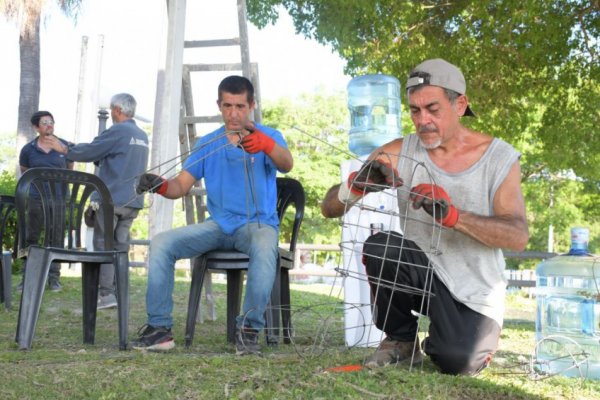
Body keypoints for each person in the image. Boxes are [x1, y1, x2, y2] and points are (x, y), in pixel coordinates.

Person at [321, 59, 529, 375]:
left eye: (433, 108)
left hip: (475, 290)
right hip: (423, 272)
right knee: (381, 246)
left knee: (457, 361)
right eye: (415, 111)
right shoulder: (399, 150)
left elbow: (518, 237)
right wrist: (356, 186)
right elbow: (328, 208)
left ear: (460, 104)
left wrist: (454, 216)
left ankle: (456, 340)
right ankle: (401, 340)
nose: (423, 120)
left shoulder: (498, 157)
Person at [132, 75, 293, 354]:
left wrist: (266, 146)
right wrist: (159, 184)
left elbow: (287, 164)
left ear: (252, 105)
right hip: (218, 226)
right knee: (161, 243)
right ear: (219, 105)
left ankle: (248, 331)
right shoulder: (207, 143)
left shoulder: (269, 136)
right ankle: (159, 330)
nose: (234, 113)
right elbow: (180, 186)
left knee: (267, 247)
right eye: (228, 106)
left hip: (258, 225)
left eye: (240, 106)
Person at [43, 93, 149, 309]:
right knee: (120, 248)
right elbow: (104, 154)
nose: (111, 114)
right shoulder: (141, 135)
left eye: (111, 110)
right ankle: (119, 293)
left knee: (103, 245)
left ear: (117, 110)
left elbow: (93, 150)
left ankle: (106, 294)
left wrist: (65, 149)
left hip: (112, 199)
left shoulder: (118, 130)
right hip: (133, 201)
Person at [18, 111, 74, 291]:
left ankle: (54, 278)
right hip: (36, 198)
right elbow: (25, 171)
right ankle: (27, 276)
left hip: (58, 199)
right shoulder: (28, 149)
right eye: (44, 122)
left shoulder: (65, 146)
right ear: (36, 127)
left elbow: (70, 169)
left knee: (56, 237)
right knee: (31, 237)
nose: (49, 125)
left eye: (51, 122)